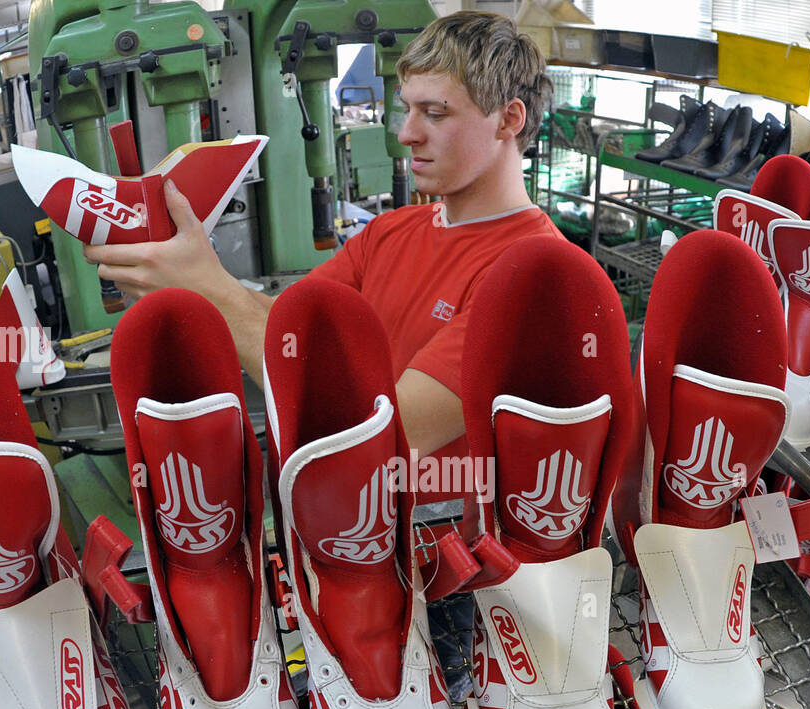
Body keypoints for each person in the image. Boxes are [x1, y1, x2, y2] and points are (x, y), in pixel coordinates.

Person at [83, 11, 560, 460]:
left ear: (508, 120)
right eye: (407, 110)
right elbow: (291, 324)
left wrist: (208, 285)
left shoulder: (533, 274)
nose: (407, 133)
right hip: (346, 522)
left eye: (435, 113)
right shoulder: (391, 231)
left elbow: (389, 438)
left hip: (433, 537)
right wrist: (189, 275)